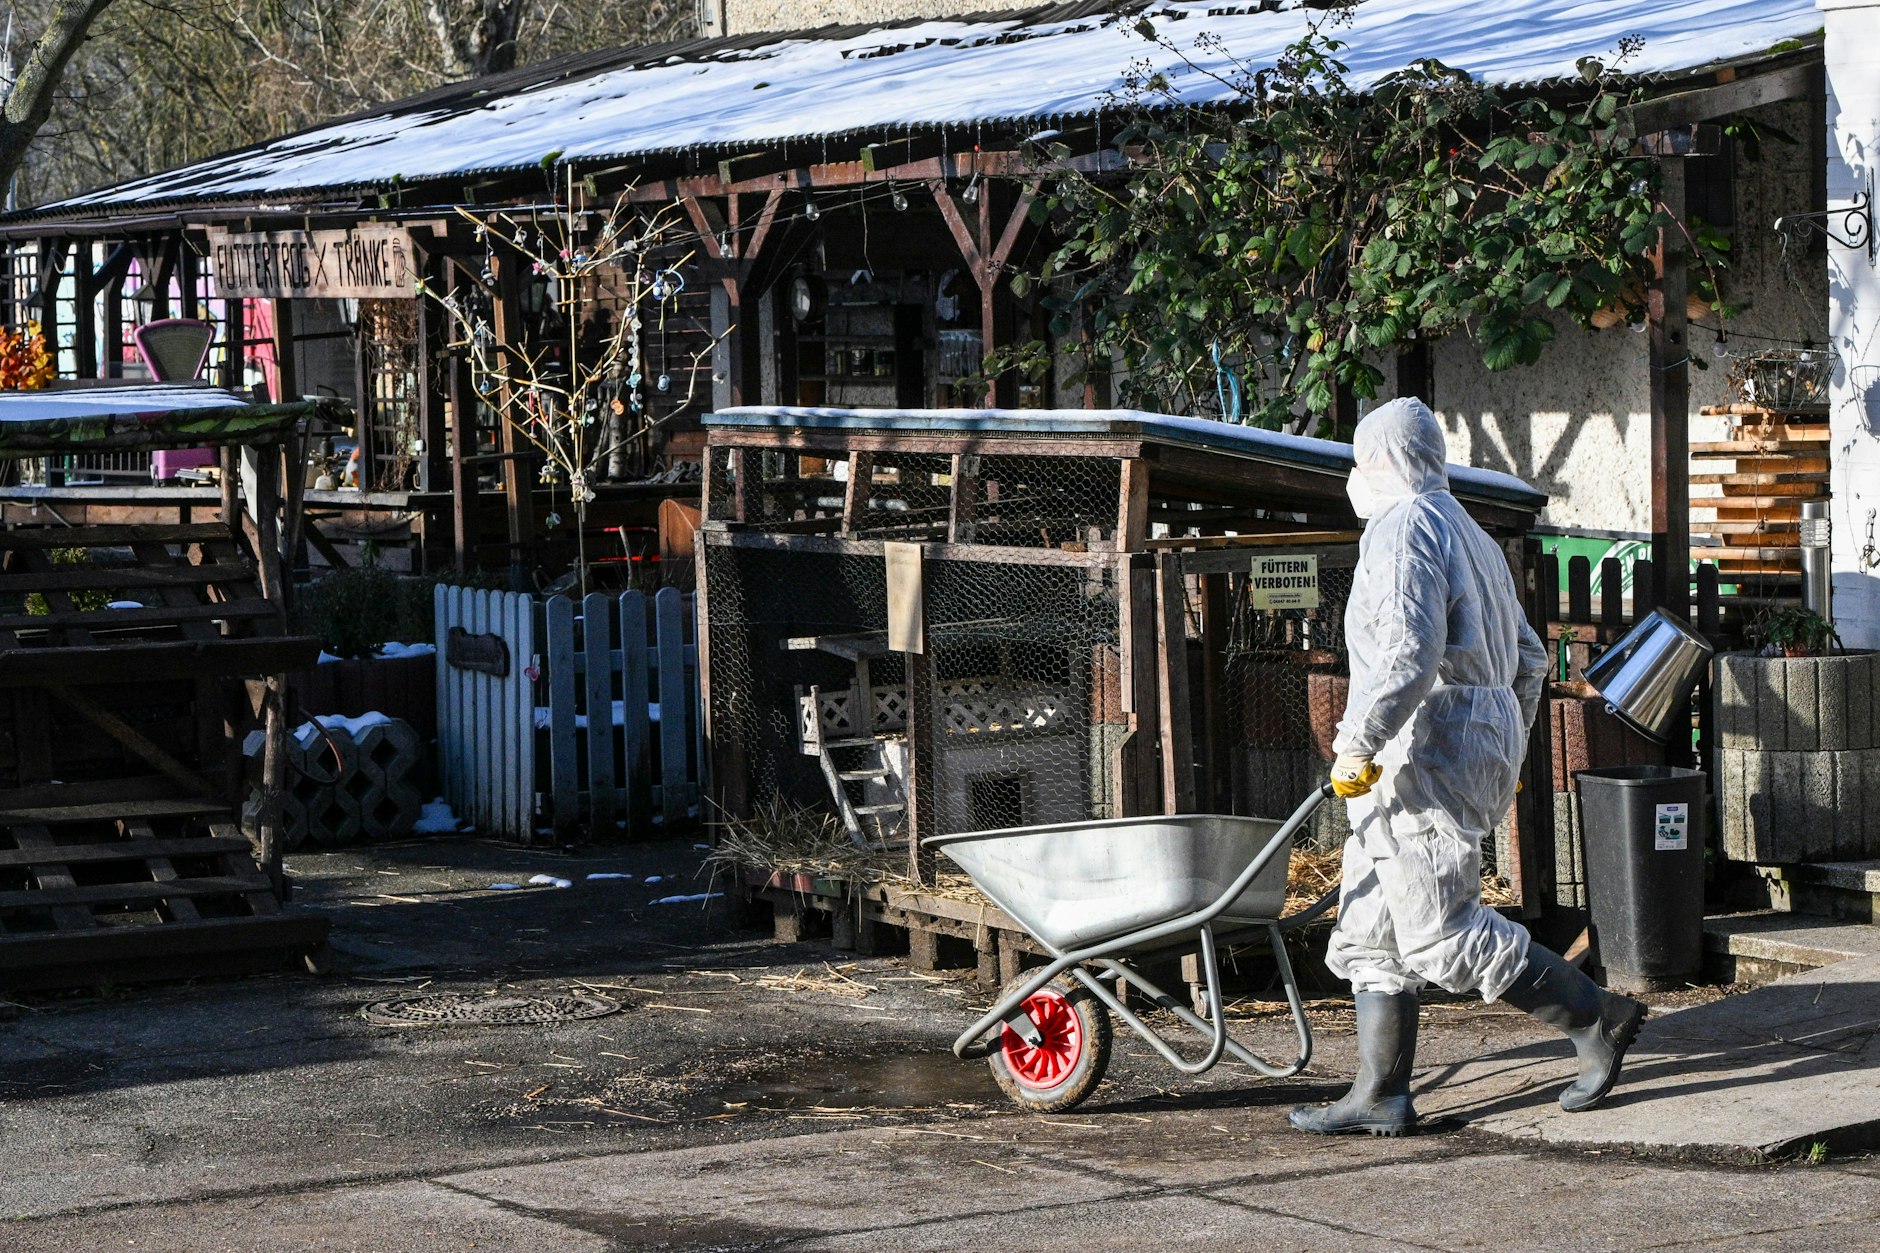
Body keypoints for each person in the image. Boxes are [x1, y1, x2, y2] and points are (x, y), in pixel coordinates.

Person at [1289, 397, 1647, 1138]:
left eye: (1361, 462)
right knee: (1371, 925)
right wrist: (1503, 734)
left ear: (1381, 461)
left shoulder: (1403, 527)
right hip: (1465, 738)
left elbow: (1402, 652)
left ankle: (1597, 1017)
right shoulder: (1471, 533)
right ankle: (1380, 1092)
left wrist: (1358, 740)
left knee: (1438, 931)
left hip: (1419, 747)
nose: (1357, 478)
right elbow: (1530, 657)